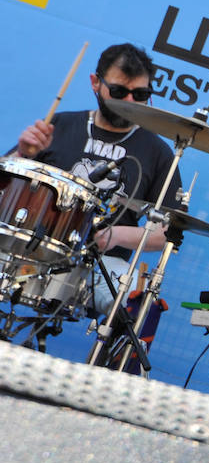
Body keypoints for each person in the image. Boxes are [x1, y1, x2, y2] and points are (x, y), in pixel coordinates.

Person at [12, 42, 182, 312]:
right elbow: (4, 185)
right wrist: (23, 154)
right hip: (29, 247)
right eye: (118, 92)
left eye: (139, 94)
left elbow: (168, 233)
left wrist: (115, 235)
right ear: (95, 82)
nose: (129, 102)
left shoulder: (157, 152)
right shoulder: (59, 124)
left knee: (139, 305)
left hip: (102, 262)